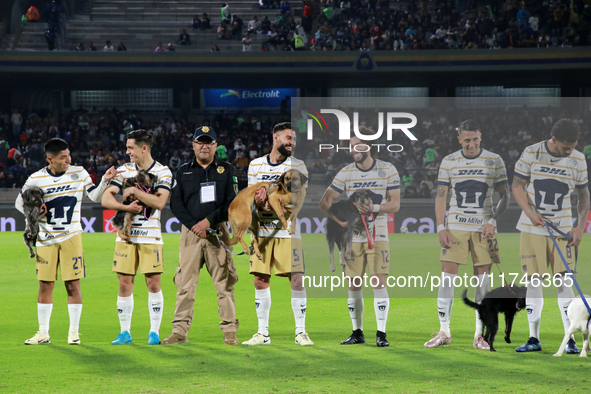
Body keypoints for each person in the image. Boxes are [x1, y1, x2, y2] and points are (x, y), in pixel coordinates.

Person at [15, 138, 119, 345]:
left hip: (71, 236)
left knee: (73, 284)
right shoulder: (36, 179)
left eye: (68, 155)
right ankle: (43, 333)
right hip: (46, 239)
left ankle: (74, 333)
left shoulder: (79, 172)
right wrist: (34, 213)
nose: (68, 160)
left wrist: (105, 181)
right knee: (45, 285)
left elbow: (95, 196)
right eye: (62, 157)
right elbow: (20, 203)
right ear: (49, 160)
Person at [424, 119, 510, 350]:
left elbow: (506, 196)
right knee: (446, 278)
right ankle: (444, 331)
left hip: (484, 229)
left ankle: (479, 335)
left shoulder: (494, 160)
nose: (471, 144)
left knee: (482, 283)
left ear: (480, 138)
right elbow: (441, 196)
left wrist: (492, 221)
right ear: (459, 138)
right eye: (467, 139)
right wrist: (441, 227)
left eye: (475, 139)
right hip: (456, 227)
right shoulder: (449, 161)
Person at [512, 118, 589, 353]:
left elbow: (583, 195)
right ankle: (533, 338)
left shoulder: (578, 158)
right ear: (553, 139)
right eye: (566, 146)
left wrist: (579, 226)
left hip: (564, 230)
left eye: (573, 146)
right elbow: (517, 185)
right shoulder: (531, 152)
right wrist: (529, 212)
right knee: (534, 281)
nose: (570, 150)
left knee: (564, 282)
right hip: (533, 228)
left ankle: (571, 340)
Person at [319, 130, 401, 347]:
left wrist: (373, 207)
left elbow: (395, 204)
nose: (354, 150)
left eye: (359, 145)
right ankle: (357, 332)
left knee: (378, 282)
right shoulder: (345, 173)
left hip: (379, 235)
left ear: (369, 146)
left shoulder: (388, 169)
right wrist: (341, 222)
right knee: (353, 284)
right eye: (351, 146)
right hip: (353, 239)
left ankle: (381, 334)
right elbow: (325, 202)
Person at [161, 126, 240, 345]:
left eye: (209, 142)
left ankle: (229, 331)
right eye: (200, 142)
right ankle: (179, 332)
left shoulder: (227, 169)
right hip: (191, 235)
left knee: (224, 283)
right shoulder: (183, 171)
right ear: (193, 145)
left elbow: (232, 203)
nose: (204, 146)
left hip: (218, 232)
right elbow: (175, 203)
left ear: (216, 146)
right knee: (185, 285)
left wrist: (208, 222)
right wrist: (194, 225)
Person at [241, 122, 313, 346]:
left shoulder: (298, 165)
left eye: (294, 139)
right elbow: (249, 200)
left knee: (297, 279)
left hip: (289, 234)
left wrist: (273, 203)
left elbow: (298, 201)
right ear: (276, 138)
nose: (292, 142)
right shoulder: (255, 165)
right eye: (288, 138)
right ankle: (263, 333)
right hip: (262, 233)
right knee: (260, 281)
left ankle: (300, 331)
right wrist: (259, 202)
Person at [101, 130, 172, 345]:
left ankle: (154, 331)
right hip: (125, 235)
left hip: (150, 235)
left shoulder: (163, 172)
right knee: (124, 284)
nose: (127, 151)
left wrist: (133, 190)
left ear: (144, 148)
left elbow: (159, 203)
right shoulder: (123, 171)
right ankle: (125, 332)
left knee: (153, 283)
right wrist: (125, 206)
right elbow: (106, 199)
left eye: (130, 147)